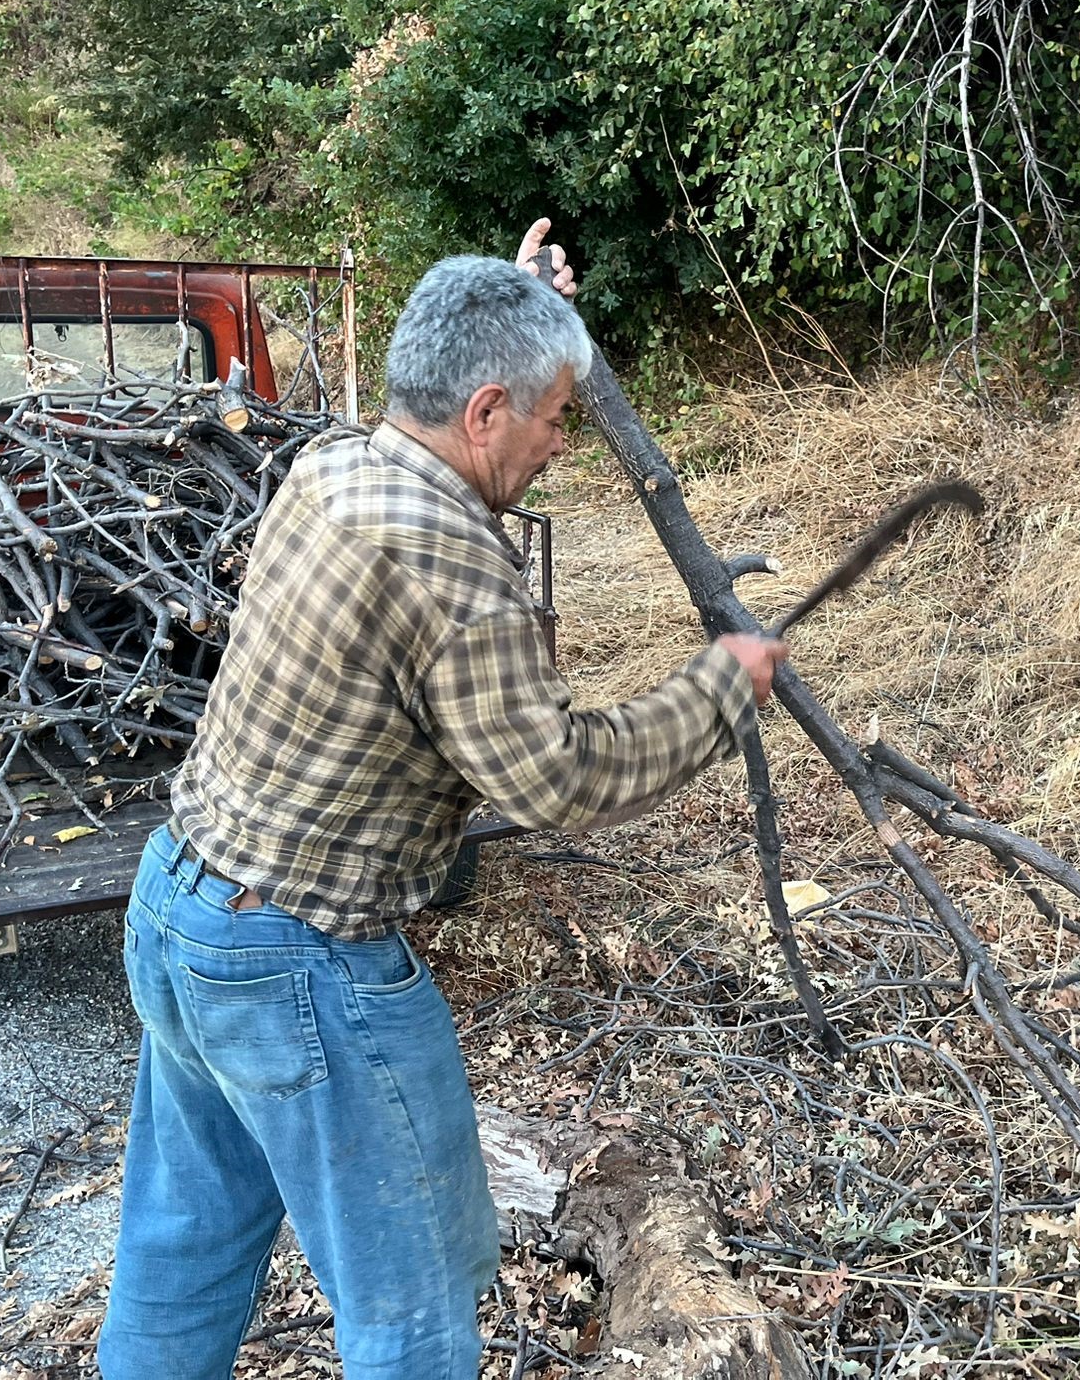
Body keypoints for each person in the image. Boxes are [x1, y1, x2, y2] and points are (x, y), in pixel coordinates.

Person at [96, 224, 786, 1380]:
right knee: (411, 1313)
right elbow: (556, 778)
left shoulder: (331, 466)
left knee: (182, 1248)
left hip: (178, 912)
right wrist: (720, 690)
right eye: (552, 417)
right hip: (297, 965)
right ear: (484, 410)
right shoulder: (457, 568)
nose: (559, 443)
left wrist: (518, 307)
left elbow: (452, 390)